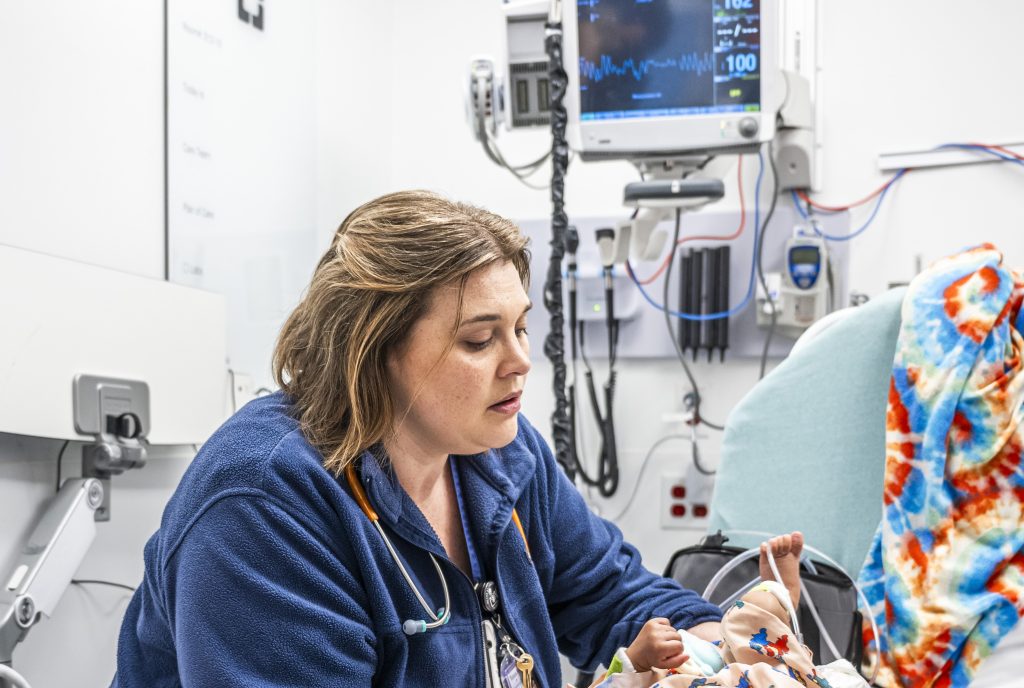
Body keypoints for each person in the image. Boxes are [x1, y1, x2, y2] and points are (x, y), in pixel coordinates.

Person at [111, 190, 722, 687]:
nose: (520, 362)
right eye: (480, 341)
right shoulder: (261, 508)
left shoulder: (501, 453)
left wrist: (723, 646)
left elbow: (610, 592)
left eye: (521, 327)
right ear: (373, 352)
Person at [593, 532, 868, 688]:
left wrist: (637, 659)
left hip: (689, 669)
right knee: (773, 650)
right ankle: (779, 601)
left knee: (751, 621)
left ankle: (778, 600)